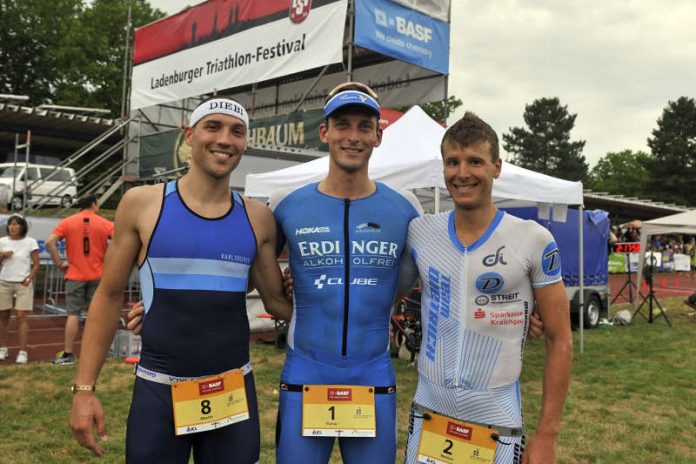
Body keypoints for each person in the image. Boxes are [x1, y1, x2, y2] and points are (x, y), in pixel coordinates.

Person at [69, 97, 292, 463]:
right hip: (159, 392)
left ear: (245, 143)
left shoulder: (258, 217)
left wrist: (306, 288)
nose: (225, 139)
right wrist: (84, 389)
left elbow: (277, 304)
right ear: (189, 135)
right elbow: (108, 296)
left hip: (231, 393)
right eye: (213, 127)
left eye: (237, 132)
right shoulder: (142, 203)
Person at [402, 112, 572, 464]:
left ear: (497, 166)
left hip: (496, 415)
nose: (462, 173)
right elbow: (379, 291)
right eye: (453, 162)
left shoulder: (533, 239)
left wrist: (547, 434)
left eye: (475, 161)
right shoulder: (420, 231)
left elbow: (561, 339)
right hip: (430, 412)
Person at [269, 82, 423, 464]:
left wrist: (526, 309)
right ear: (324, 132)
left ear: (378, 135)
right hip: (306, 370)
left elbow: (427, 276)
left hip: (372, 373)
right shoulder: (285, 204)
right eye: (342, 125)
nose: (353, 137)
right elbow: (244, 265)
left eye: (363, 126)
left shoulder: (405, 207)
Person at [46, 194, 114, 365]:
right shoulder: (104, 223)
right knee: (97, 316)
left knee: (73, 315)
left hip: (75, 274)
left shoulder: (68, 222)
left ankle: (69, 353)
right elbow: (119, 242)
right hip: (98, 275)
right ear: (94, 204)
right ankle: (97, 353)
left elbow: (49, 242)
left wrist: (60, 263)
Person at [0, 214, 40, 364]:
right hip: (4, 282)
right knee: (3, 316)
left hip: (23, 283)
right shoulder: (2, 241)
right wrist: (2, 255)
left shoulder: (30, 242)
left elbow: (36, 263)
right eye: (10, 224)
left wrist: (29, 277)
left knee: (21, 316)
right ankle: (2, 348)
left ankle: (22, 351)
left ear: (22, 226)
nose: (12, 227)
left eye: (16, 224)